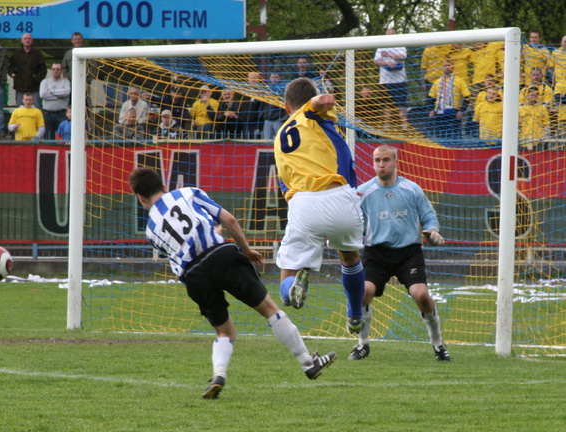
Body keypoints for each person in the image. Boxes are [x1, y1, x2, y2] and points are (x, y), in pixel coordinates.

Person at [129, 167, 336, 399]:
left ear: (140, 197)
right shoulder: (187, 193)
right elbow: (228, 219)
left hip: (194, 275)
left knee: (224, 332)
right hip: (222, 256)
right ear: (163, 185)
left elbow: (181, 245)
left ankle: (219, 375)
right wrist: (246, 249)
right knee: (269, 309)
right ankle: (308, 363)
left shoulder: (150, 229)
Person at [274, 77, 366, 334]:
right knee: (350, 257)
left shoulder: (280, 136)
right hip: (339, 196)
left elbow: (285, 184)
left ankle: (291, 290)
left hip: (302, 203)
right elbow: (322, 102)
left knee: (287, 272)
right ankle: (355, 314)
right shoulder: (311, 115)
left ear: (285, 107)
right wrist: (322, 98)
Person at [351, 144, 450, 362]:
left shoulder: (412, 189)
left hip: (408, 253)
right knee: (363, 292)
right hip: (376, 254)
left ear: (396, 162)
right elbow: (353, 223)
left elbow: (428, 217)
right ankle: (362, 344)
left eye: (386, 159)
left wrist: (432, 231)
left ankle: (438, 344)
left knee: (421, 295)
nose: (381, 164)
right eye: (377, 160)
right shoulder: (364, 192)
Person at [373, 29, 409, 130]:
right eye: (388, 35)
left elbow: (403, 56)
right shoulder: (381, 46)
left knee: (402, 104)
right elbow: (376, 61)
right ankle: (386, 126)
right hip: (385, 80)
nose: (390, 37)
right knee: (386, 104)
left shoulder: (400, 45)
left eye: (392, 35)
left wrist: (389, 55)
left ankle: (404, 126)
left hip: (399, 80)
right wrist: (387, 63)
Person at [428, 59, 471, 139]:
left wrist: (461, 111)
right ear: (442, 68)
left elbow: (467, 96)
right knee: (440, 137)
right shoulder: (437, 82)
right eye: (445, 65)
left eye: (449, 65)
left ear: (453, 67)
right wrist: (431, 110)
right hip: (439, 113)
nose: (447, 67)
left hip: (453, 114)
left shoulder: (459, 81)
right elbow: (430, 98)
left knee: (454, 137)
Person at [9, 33, 47, 109]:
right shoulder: (16, 53)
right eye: (25, 39)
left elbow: (43, 70)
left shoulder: (38, 54)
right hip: (20, 87)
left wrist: (36, 79)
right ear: (21, 41)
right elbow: (10, 66)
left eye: (29, 38)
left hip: (34, 87)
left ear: (32, 40)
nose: (27, 40)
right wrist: (12, 73)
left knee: (36, 109)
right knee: (20, 110)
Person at [40, 63, 71, 139]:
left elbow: (66, 92)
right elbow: (42, 95)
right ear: (51, 70)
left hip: (61, 114)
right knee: (48, 138)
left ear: (61, 71)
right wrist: (57, 97)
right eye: (53, 69)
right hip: (48, 114)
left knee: (62, 138)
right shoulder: (45, 82)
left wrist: (51, 91)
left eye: (58, 69)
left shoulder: (66, 82)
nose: (55, 71)